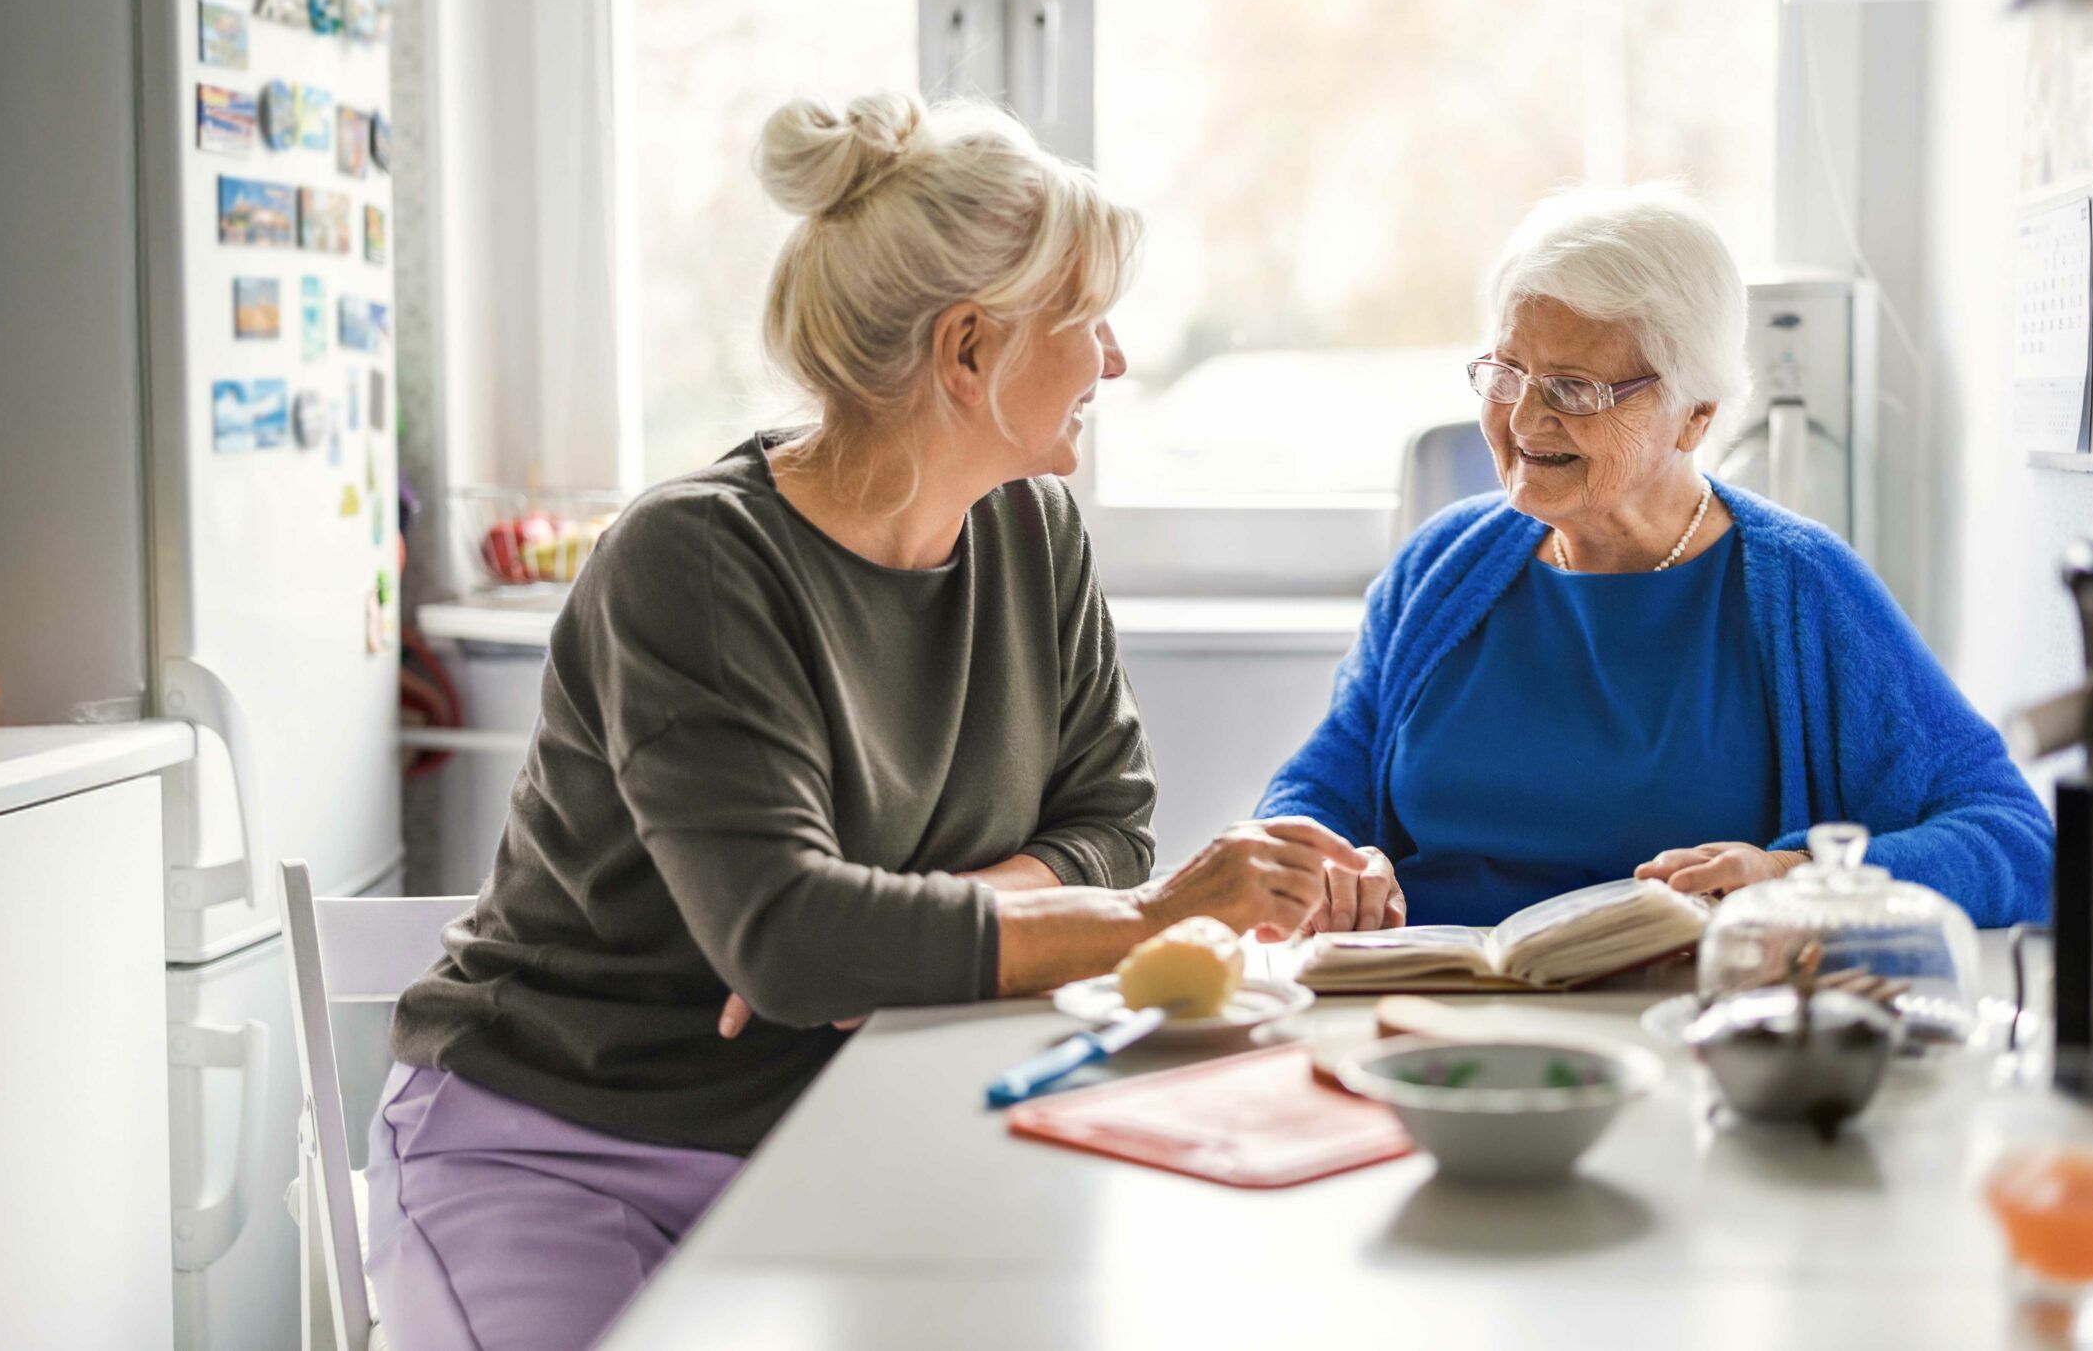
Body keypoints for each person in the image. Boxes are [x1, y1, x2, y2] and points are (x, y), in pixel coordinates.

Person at [372, 93, 1362, 1351]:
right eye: (1087, 321)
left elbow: (1107, 819)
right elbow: (792, 944)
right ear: (967, 353)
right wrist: (1154, 922)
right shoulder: (693, 560)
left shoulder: (1030, 532)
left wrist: (892, 930)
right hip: (564, 1142)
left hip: (842, 1122)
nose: (1113, 361)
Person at [1259, 183, 2052, 933]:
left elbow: (2017, 840)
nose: (1526, 418)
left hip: (1678, 1035)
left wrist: (1797, 878)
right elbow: (1317, 788)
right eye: (1507, 373)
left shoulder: (1802, 587)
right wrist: (1332, 863)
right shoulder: (1442, 565)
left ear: (1693, 416)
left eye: (1573, 388)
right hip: (1425, 1014)